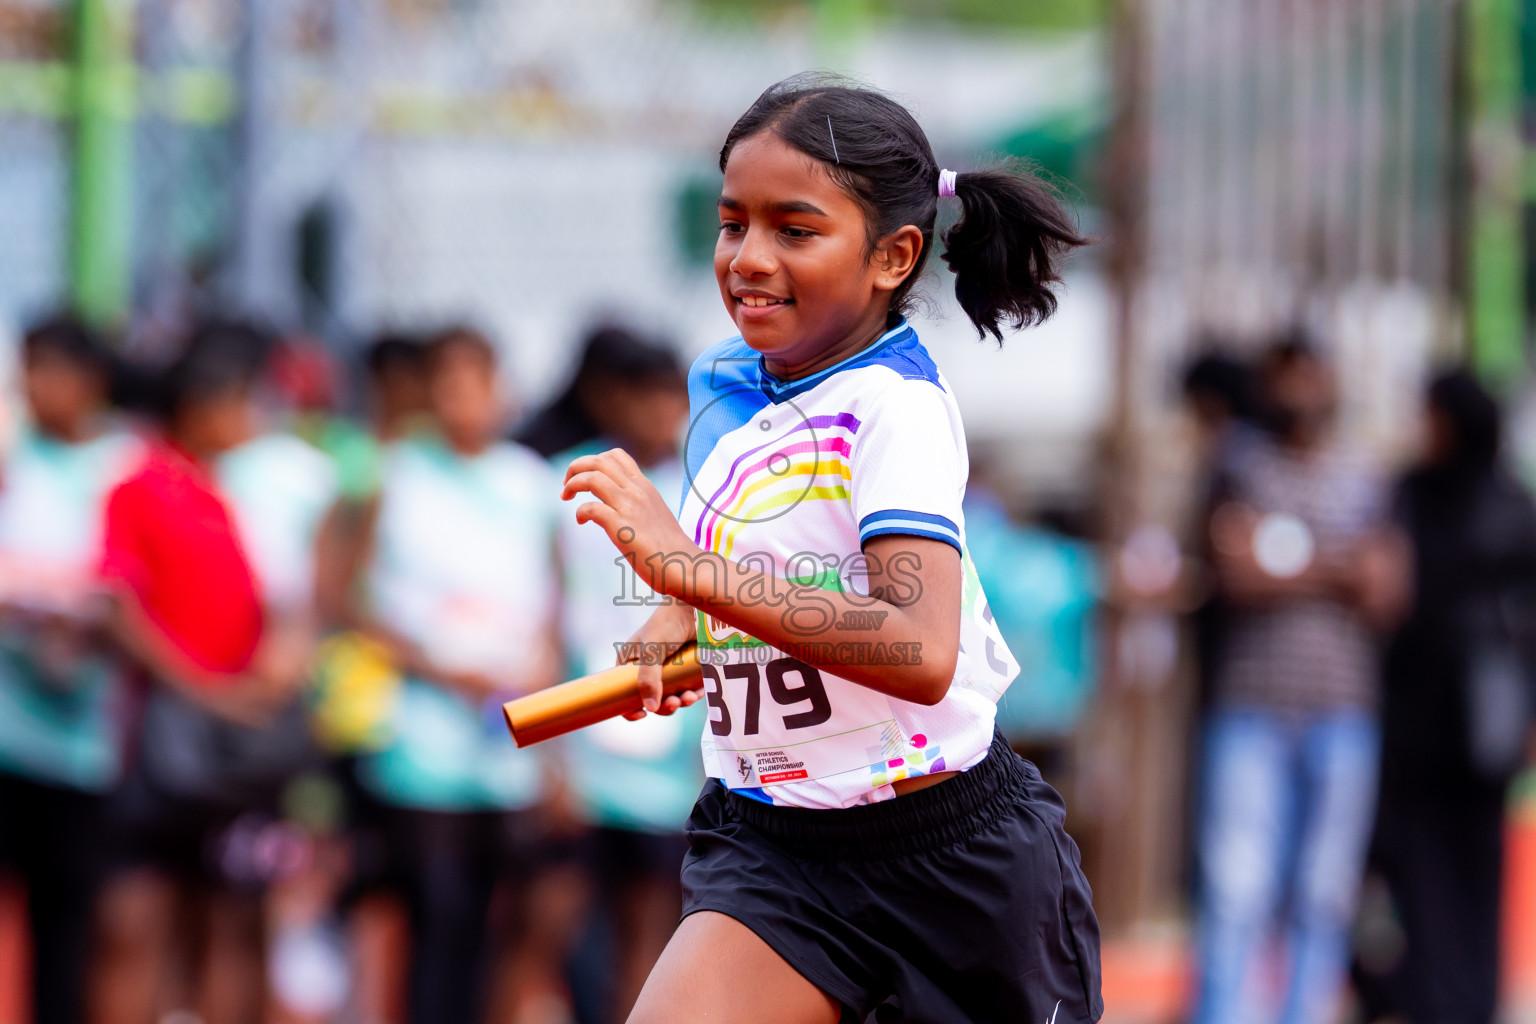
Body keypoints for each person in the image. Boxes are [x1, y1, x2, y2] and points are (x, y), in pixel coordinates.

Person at [561, 76, 1101, 1024]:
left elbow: (918, 649)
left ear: (893, 255)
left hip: (947, 865)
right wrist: (674, 620)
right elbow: (737, 548)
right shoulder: (733, 394)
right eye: (733, 225)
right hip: (774, 851)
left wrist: (684, 569)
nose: (748, 258)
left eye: (794, 230)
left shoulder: (896, 410)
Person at [341, 326, 567, 1024]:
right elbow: (350, 599)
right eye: (449, 382)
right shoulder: (396, 474)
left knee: (489, 916)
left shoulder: (531, 483)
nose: (464, 398)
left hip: (506, 738)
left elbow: (555, 613)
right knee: (430, 910)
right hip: (420, 739)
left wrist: (548, 715)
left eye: (478, 381)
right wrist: (434, 664)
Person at [91, 319, 312, 1024]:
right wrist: (206, 691)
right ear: (204, 400)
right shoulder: (143, 483)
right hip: (164, 743)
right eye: (242, 400)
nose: (251, 417)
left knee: (234, 923)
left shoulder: (245, 486)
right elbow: (120, 609)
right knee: (139, 922)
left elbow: (288, 598)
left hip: (239, 746)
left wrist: (277, 661)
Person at [1190, 337, 1409, 1024]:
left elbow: (1386, 588)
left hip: (1343, 707)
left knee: (1325, 891)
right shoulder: (1239, 463)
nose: (1300, 396)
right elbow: (1238, 573)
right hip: (1250, 702)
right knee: (1235, 888)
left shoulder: (1368, 473)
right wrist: (1336, 567)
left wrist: (1291, 564)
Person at [524, 324, 704, 1024]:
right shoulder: (568, 483)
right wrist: (551, 754)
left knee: (651, 916)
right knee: (551, 912)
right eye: (653, 398)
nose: (668, 416)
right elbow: (542, 614)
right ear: (613, 400)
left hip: (670, 745)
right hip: (582, 731)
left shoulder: (698, 492)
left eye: (676, 399)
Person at [1365, 372, 1536, 1024]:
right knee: (1423, 872)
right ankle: (1436, 1001)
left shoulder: (1508, 503)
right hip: (1421, 722)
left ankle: (1471, 1003)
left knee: (1475, 870)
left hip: (1484, 724)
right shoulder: (1412, 491)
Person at [0, 316, 141, 1024]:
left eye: (49, 371)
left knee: (70, 931)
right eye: (28, 370)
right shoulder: (10, 457)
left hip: (85, 741)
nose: (35, 387)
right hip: (6, 728)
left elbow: (150, 591)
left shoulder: (131, 468)